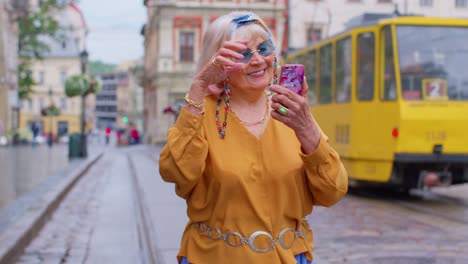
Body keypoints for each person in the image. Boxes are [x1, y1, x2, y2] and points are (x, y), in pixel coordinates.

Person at [159, 11, 348, 264]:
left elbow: (332, 190)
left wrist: (307, 129)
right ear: (219, 62)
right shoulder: (201, 114)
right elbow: (176, 173)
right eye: (244, 54)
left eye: (264, 48)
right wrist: (199, 86)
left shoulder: (290, 111)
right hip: (216, 257)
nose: (258, 60)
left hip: (288, 256)